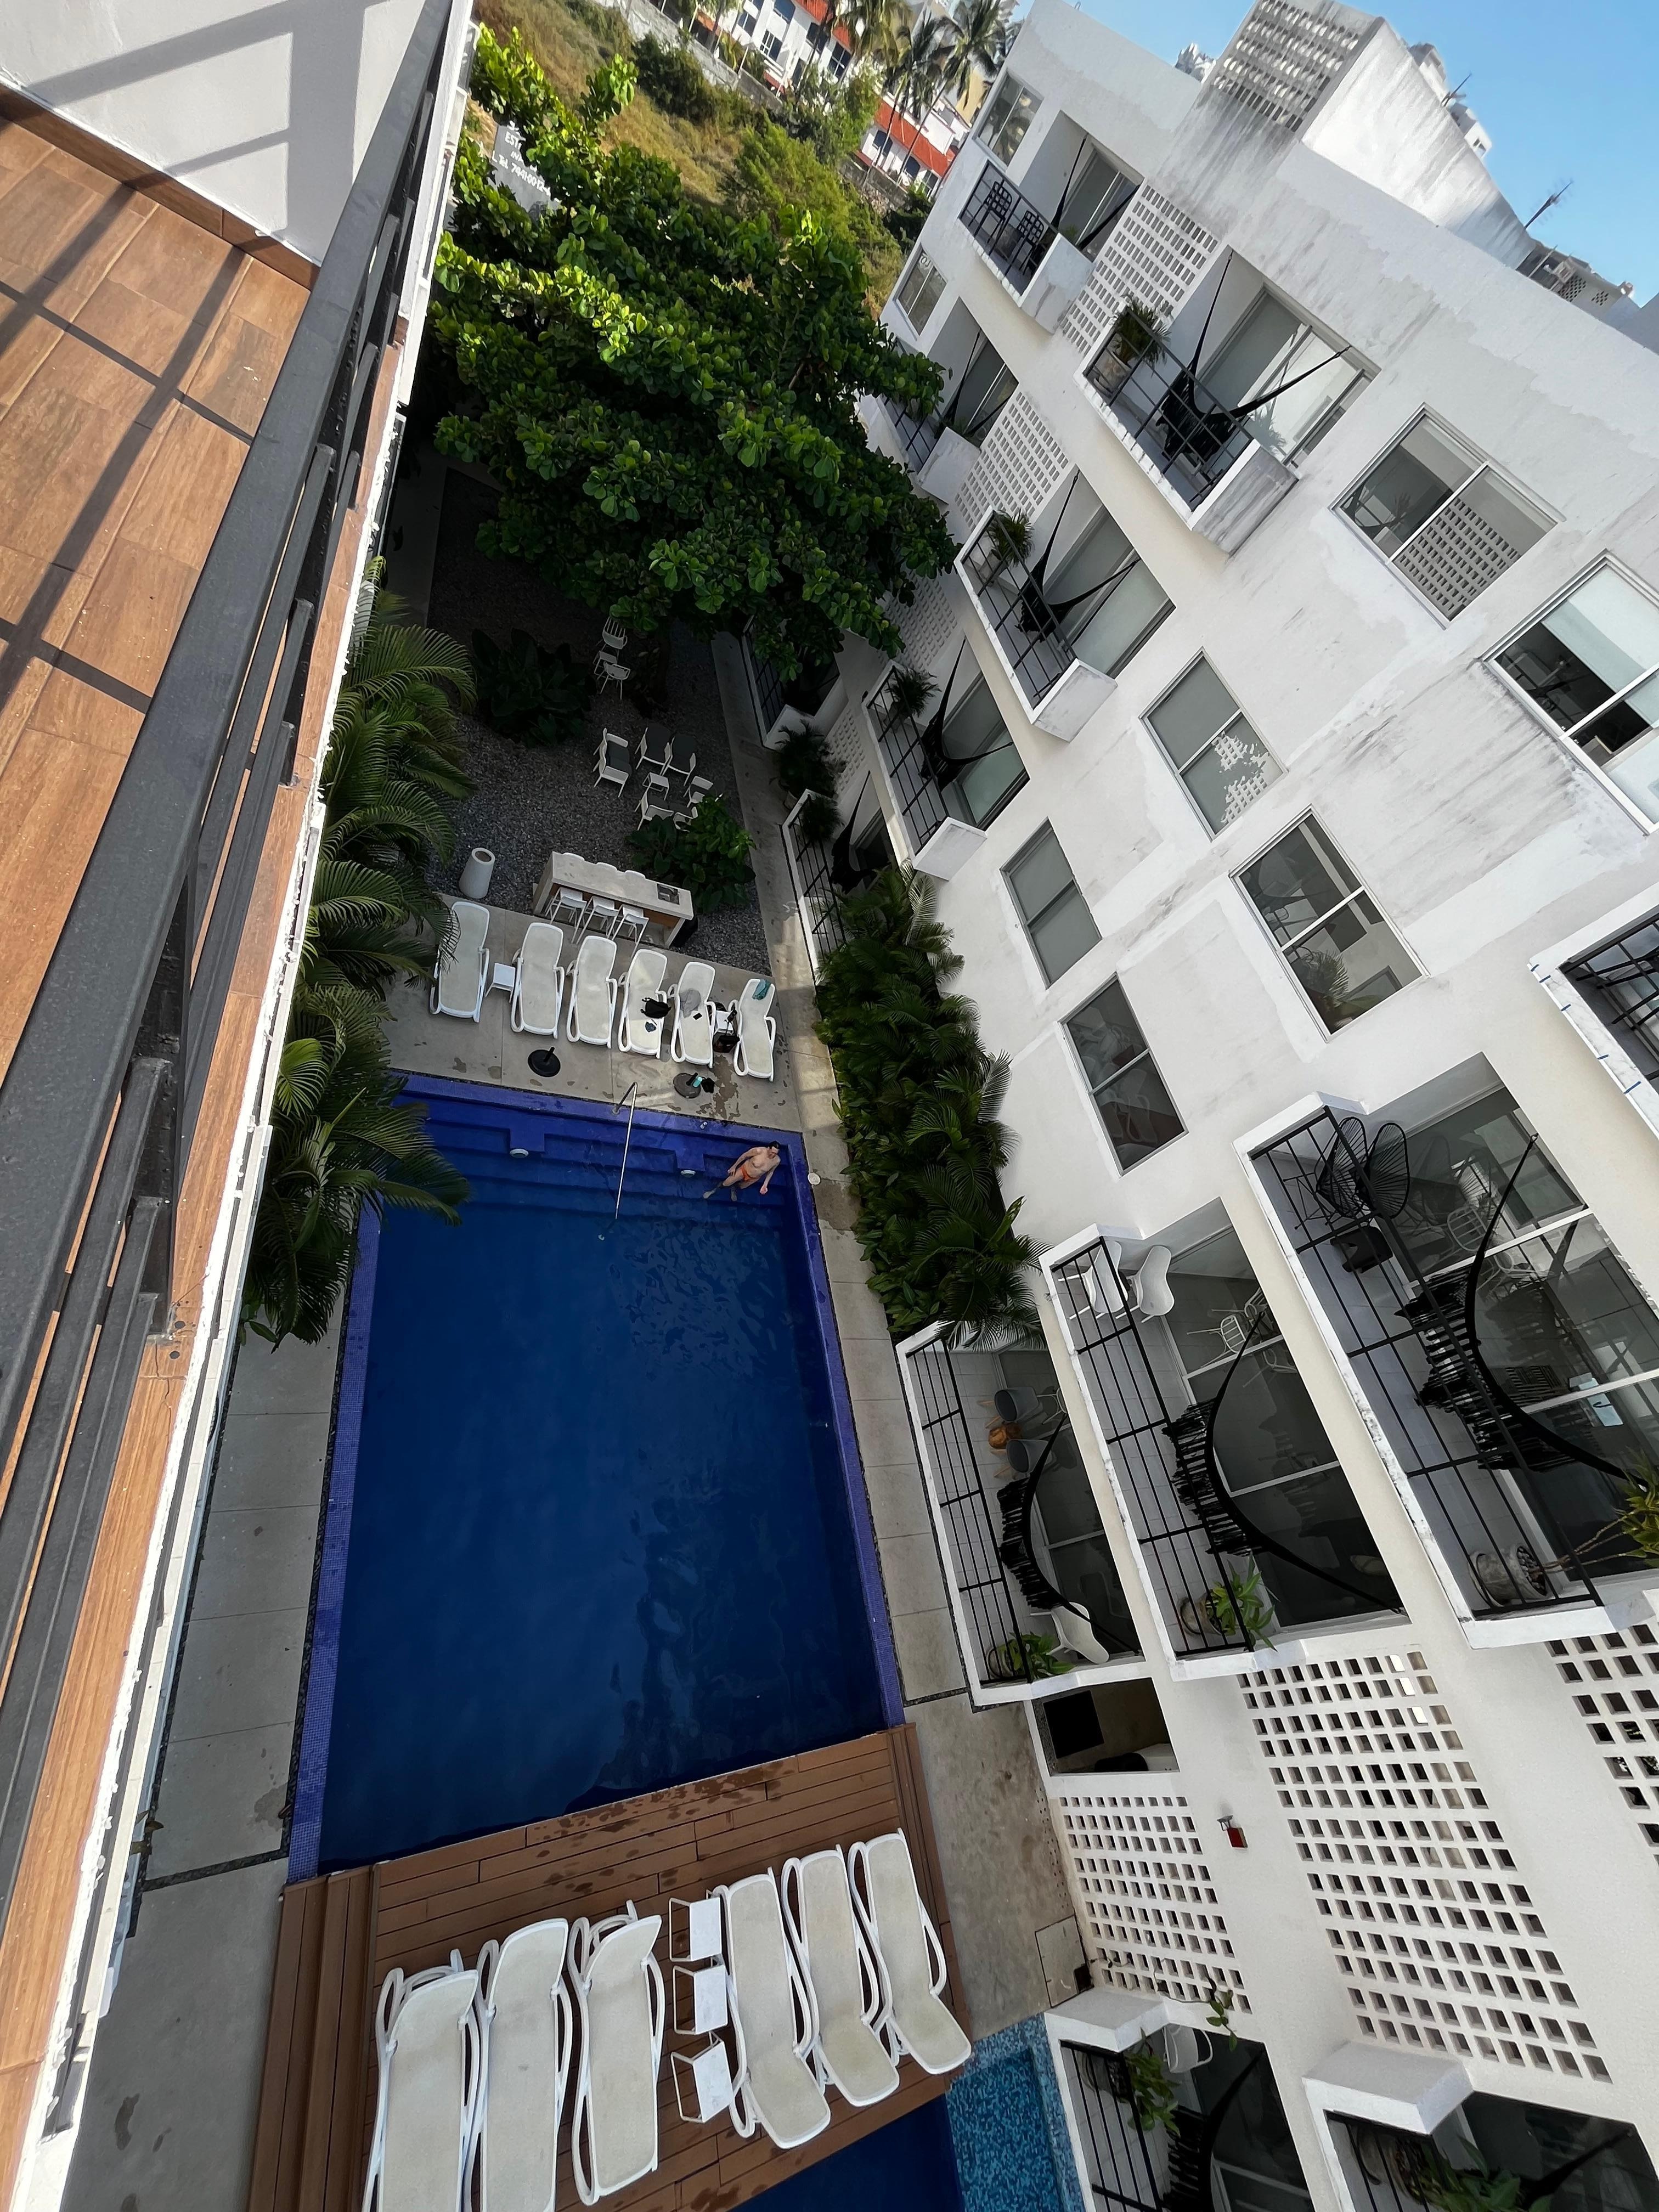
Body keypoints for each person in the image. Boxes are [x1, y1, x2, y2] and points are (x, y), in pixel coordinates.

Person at [706, 1142, 781, 1199]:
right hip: (744, 1170)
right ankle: (713, 1191)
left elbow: (771, 1172)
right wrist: (734, 1166)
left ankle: (733, 1189)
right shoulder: (758, 1151)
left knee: (741, 1187)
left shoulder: (777, 1161)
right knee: (727, 1183)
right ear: (768, 1148)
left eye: (776, 1153)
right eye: (772, 1152)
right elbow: (744, 1156)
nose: (773, 1155)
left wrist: (765, 1185)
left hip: (755, 1178)